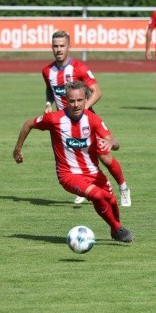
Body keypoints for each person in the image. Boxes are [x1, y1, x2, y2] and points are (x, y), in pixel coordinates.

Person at [13, 80, 135, 243]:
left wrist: (112, 143)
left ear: (86, 100)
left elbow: (115, 142)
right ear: (66, 101)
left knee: (111, 200)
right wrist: (18, 149)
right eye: (72, 101)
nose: (76, 105)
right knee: (97, 196)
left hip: (93, 172)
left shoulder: (93, 120)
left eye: (79, 100)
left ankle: (116, 228)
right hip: (68, 174)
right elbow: (29, 123)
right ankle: (117, 229)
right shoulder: (54, 119)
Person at [43, 30, 131, 207]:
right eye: (55, 46)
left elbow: (97, 92)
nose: (59, 49)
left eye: (62, 45)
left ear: (69, 46)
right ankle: (82, 188)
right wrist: (48, 103)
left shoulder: (79, 68)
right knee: (71, 159)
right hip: (63, 126)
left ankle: (123, 188)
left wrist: (82, 109)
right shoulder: (47, 71)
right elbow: (50, 88)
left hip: (86, 122)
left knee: (105, 158)